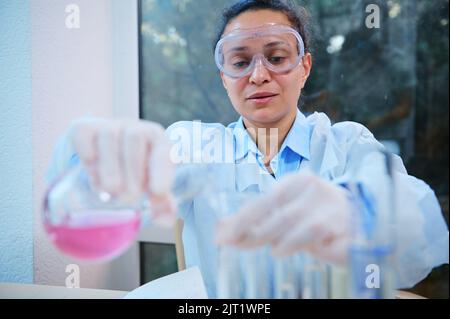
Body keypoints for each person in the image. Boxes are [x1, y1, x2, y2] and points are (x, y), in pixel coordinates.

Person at [47, 0, 448, 298]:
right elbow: (96, 204)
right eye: (239, 62)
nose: (259, 76)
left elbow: (419, 227)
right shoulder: (193, 144)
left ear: (304, 67)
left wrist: (356, 209)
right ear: (224, 77)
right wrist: (96, 160)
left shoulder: (346, 143)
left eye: (277, 57)